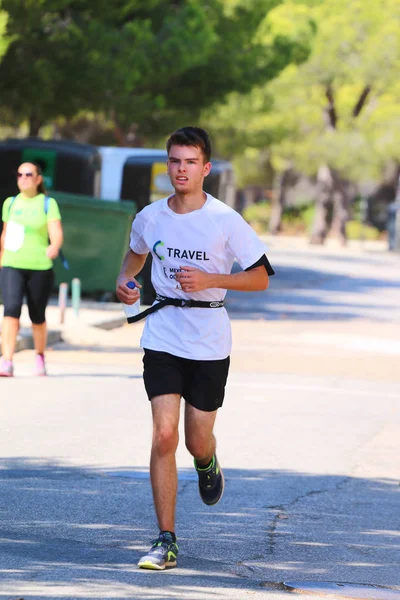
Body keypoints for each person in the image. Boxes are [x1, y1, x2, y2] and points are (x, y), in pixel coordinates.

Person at [116, 126, 274, 570]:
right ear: (167, 165)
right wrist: (125, 282)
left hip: (209, 339)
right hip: (164, 333)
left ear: (205, 168)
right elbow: (135, 254)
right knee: (163, 434)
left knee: (195, 439)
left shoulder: (226, 220)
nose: (180, 169)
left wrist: (211, 280)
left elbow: (260, 277)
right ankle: (165, 539)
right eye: (173, 161)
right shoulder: (150, 216)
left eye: (189, 162)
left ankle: (207, 462)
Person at [0, 162, 63, 377]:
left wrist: (54, 246)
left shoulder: (47, 203)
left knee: (37, 314)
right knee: (11, 310)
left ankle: (39, 355)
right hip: (12, 264)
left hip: (39, 266)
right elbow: (5, 234)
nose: (23, 178)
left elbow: (56, 231)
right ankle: (7, 360)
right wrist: (1, 259)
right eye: (19, 174)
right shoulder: (10, 203)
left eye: (28, 174)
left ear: (38, 179)